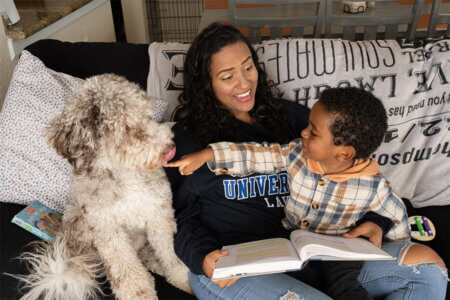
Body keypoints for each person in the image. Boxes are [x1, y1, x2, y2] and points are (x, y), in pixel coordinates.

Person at [164, 22, 448, 300]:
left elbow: (352, 172)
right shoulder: (186, 140)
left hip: (318, 258)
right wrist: (202, 257)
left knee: (428, 269)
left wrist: (377, 222)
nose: (244, 82)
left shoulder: (291, 119)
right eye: (227, 76)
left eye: (248, 67)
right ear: (206, 83)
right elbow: (176, 217)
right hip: (236, 266)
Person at [167, 87, 412, 299]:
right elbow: (254, 155)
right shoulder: (296, 155)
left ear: (345, 153)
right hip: (292, 241)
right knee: (297, 275)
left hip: (340, 251)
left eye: (313, 132)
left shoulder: (374, 186)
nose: (303, 133)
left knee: (345, 287)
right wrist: (208, 155)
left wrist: (379, 225)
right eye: (307, 126)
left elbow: (398, 220)